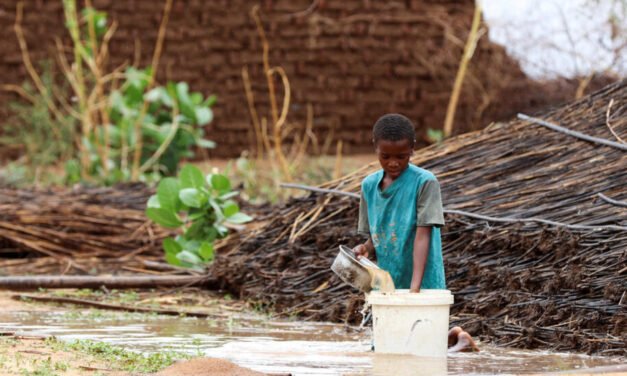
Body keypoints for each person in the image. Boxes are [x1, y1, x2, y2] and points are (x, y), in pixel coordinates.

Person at [353, 113, 478, 353]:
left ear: (412, 149)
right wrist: (365, 249)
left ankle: (459, 342)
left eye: (401, 156)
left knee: (421, 351)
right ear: (375, 148)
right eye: (385, 156)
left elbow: (423, 235)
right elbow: (378, 234)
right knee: (388, 349)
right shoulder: (369, 186)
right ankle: (455, 338)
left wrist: (414, 290)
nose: (393, 163)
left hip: (422, 275)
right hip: (389, 278)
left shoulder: (424, 182)